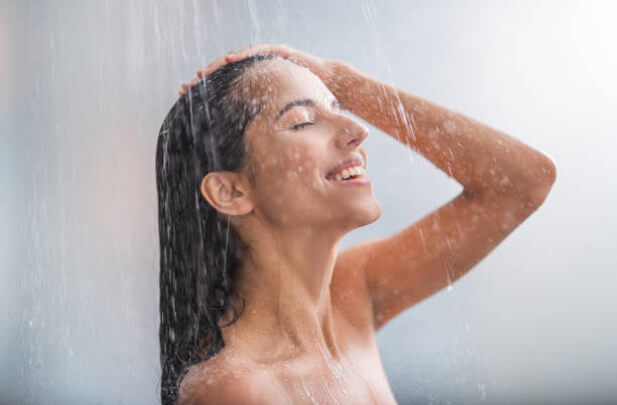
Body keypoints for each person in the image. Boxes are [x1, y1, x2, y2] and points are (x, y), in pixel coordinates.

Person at [156, 44, 556, 405]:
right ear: (230, 191)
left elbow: (523, 183)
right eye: (302, 121)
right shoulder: (236, 391)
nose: (358, 130)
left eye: (338, 108)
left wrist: (343, 82)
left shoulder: (352, 295)